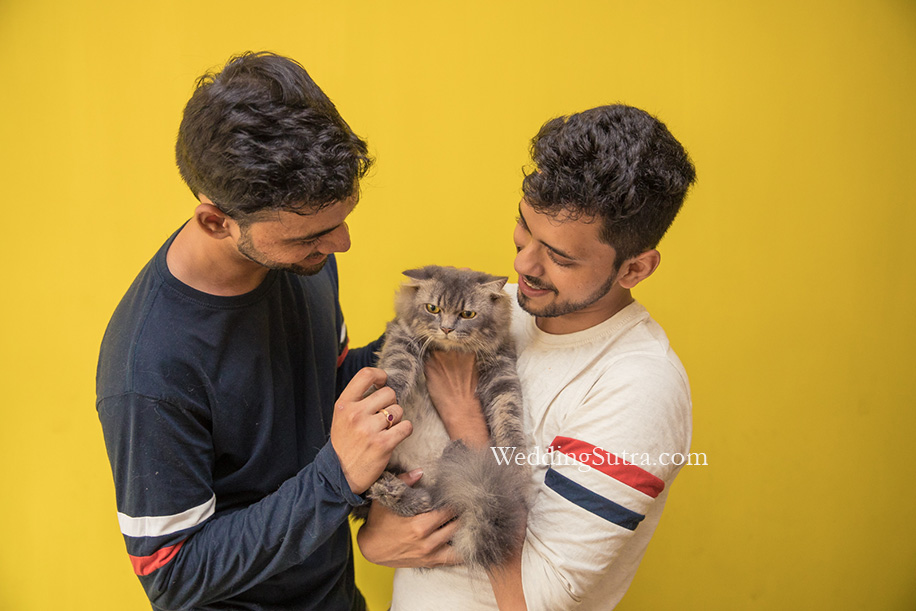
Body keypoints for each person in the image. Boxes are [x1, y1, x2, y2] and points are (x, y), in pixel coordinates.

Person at [95, 51, 459, 611]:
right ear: (216, 221)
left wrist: (419, 346)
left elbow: (323, 389)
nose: (340, 244)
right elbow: (172, 574)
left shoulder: (305, 259)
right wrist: (337, 476)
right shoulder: (150, 368)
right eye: (311, 235)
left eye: (342, 220)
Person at [357, 104, 697, 610]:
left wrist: (465, 418)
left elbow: (536, 601)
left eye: (559, 256)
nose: (523, 263)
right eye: (524, 227)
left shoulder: (638, 388)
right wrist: (374, 539)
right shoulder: (496, 310)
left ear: (635, 269)